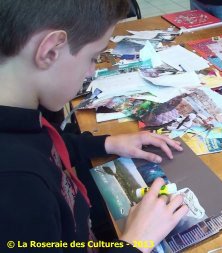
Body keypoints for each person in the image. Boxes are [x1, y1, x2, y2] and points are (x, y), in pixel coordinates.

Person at [0, 0, 188, 252]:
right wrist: (136, 242)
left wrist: (106, 142)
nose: (91, 72)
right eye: (93, 57)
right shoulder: (15, 185)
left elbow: (45, 146)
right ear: (50, 50)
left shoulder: (18, 115)